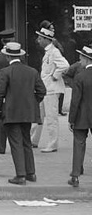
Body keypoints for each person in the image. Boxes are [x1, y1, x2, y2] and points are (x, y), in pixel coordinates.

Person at [0, 42, 46, 185]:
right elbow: (42, 91)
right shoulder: (32, 71)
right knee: (26, 142)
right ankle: (31, 173)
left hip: (11, 112)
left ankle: (21, 175)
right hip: (28, 112)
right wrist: (32, 102)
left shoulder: (5, 72)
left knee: (16, 143)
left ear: (7, 56)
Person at [31, 26, 69, 152]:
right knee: (38, 115)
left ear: (47, 39)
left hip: (52, 90)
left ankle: (52, 144)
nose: (38, 40)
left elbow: (65, 65)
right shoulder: (48, 52)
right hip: (45, 89)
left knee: (51, 118)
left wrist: (55, 75)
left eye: (40, 38)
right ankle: (33, 140)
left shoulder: (54, 52)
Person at [67, 46, 92, 188]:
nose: (79, 60)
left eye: (81, 57)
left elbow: (75, 101)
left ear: (87, 58)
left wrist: (71, 119)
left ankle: (75, 175)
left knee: (78, 144)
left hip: (82, 116)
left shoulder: (80, 76)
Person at [0, 28, 15, 154]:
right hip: (16, 91)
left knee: (2, 119)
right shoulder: (20, 56)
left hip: (2, 91)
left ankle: (1, 145)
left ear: (2, 41)